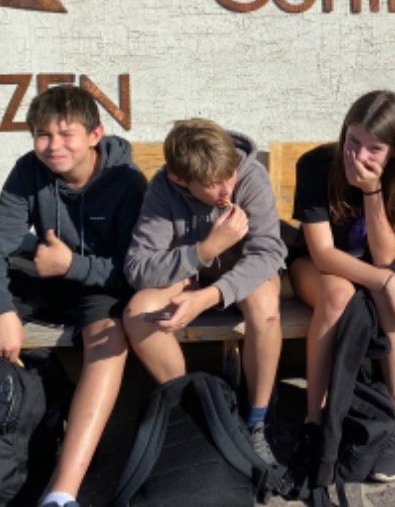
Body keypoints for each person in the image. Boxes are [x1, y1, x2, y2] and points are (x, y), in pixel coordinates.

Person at [0, 85, 145, 507]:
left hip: (100, 288)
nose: (53, 145)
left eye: (66, 134)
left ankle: (61, 492)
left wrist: (71, 265)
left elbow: (134, 270)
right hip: (42, 275)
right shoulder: (29, 171)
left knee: (109, 338)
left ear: (95, 135)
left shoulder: (127, 182)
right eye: (43, 134)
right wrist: (1, 312)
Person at [123, 118, 286, 464]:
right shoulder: (164, 189)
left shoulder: (249, 176)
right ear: (180, 180)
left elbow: (268, 253)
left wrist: (208, 296)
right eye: (213, 185)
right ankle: (196, 414)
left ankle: (257, 421)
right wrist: (205, 250)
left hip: (243, 276)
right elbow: (138, 267)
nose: (226, 190)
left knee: (266, 308)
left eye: (229, 176)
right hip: (189, 275)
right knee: (138, 313)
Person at [287, 90, 395, 483]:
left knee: (391, 297)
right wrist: (386, 279)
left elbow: (385, 255)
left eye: (374, 148)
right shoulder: (316, 165)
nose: (359, 156)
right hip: (314, 265)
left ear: (394, 152)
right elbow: (322, 254)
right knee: (339, 294)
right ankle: (315, 420)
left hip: (372, 264)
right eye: (353, 141)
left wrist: (372, 190)